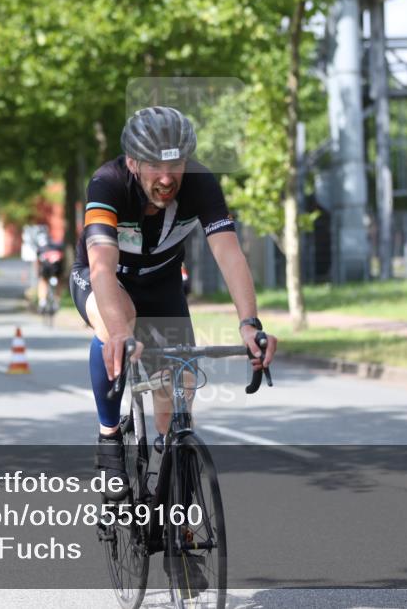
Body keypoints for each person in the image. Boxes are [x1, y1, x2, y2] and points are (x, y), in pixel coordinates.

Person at [69, 106, 277, 497]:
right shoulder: (107, 184)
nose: (167, 179)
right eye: (153, 167)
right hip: (106, 280)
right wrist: (118, 332)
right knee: (117, 324)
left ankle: (174, 500)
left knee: (179, 391)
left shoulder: (199, 183)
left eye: (176, 165)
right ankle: (109, 437)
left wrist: (250, 323)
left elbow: (229, 253)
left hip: (163, 283)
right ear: (132, 161)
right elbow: (101, 267)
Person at [35, 235, 64, 312]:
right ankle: (57, 301)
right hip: (57, 269)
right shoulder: (59, 247)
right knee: (59, 282)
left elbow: (37, 263)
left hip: (45, 269)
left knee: (43, 281)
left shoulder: (41, 249)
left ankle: (42, 302)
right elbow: (63, 261)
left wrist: (37, 273)